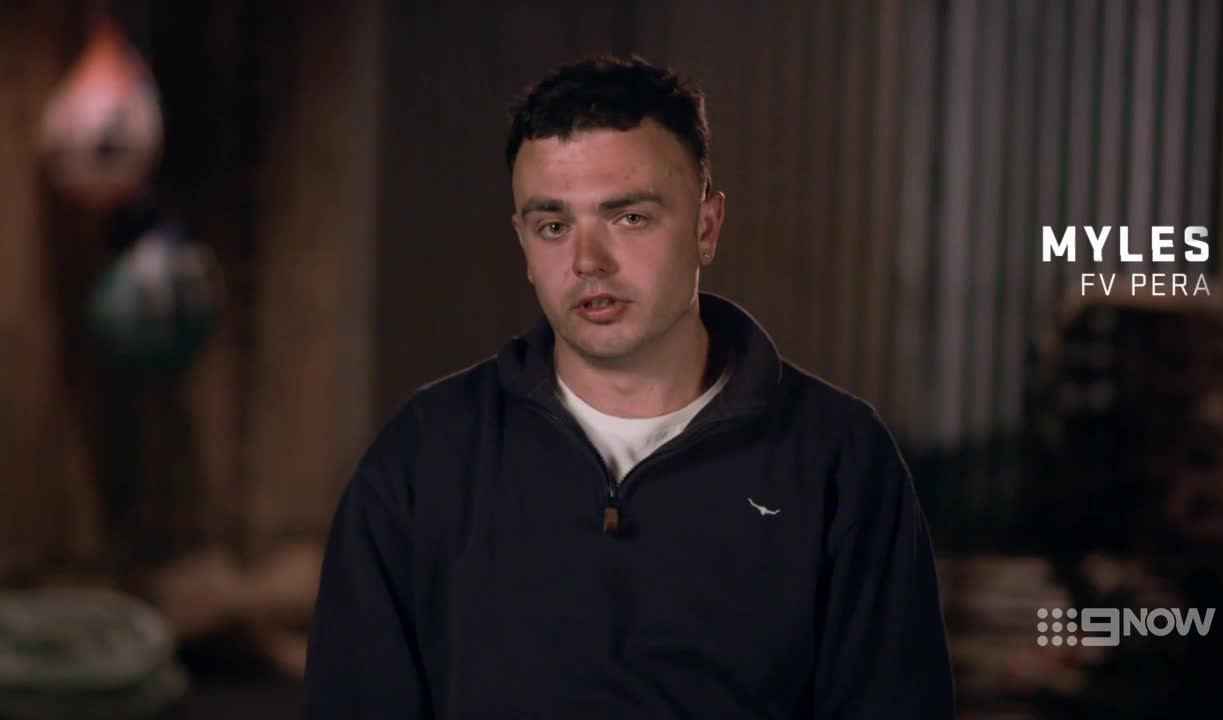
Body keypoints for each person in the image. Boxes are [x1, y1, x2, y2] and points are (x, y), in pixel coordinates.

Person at [302, 55, 954, 718]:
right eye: (554, 226)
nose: (588, 261)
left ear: (706, 227)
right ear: (523, 242)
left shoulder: (837, 460)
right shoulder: (426, 455)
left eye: (629, 218)